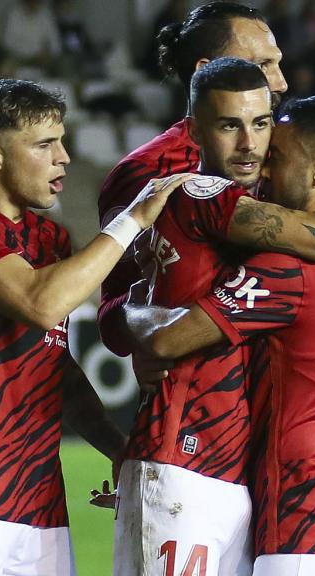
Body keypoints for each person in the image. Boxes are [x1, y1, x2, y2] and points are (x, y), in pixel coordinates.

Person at [0, 78, 189, 576]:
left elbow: (54, 368)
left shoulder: (49, 237)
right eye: (45, 144)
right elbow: (39, 303)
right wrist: (131, 221)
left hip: (39, 504)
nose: (64, 157)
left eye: (62, 141)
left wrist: (119, 450)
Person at [106, 57, 315, 576]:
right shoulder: (199, 193)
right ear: (194, 131)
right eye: (230, 125)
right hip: (182, 456)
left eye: (261, 123)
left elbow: (123, 313)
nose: (250, 144)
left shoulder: (255, 210)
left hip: (234, 467)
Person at [97, 1, 288, 358]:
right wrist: (151, 338)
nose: (281, 81)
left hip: (276, 392)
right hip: (201, 396)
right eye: (263, 65)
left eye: (277, 63)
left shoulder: (284, 151)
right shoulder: (146, 172)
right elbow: (113, 314)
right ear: (209, 69)